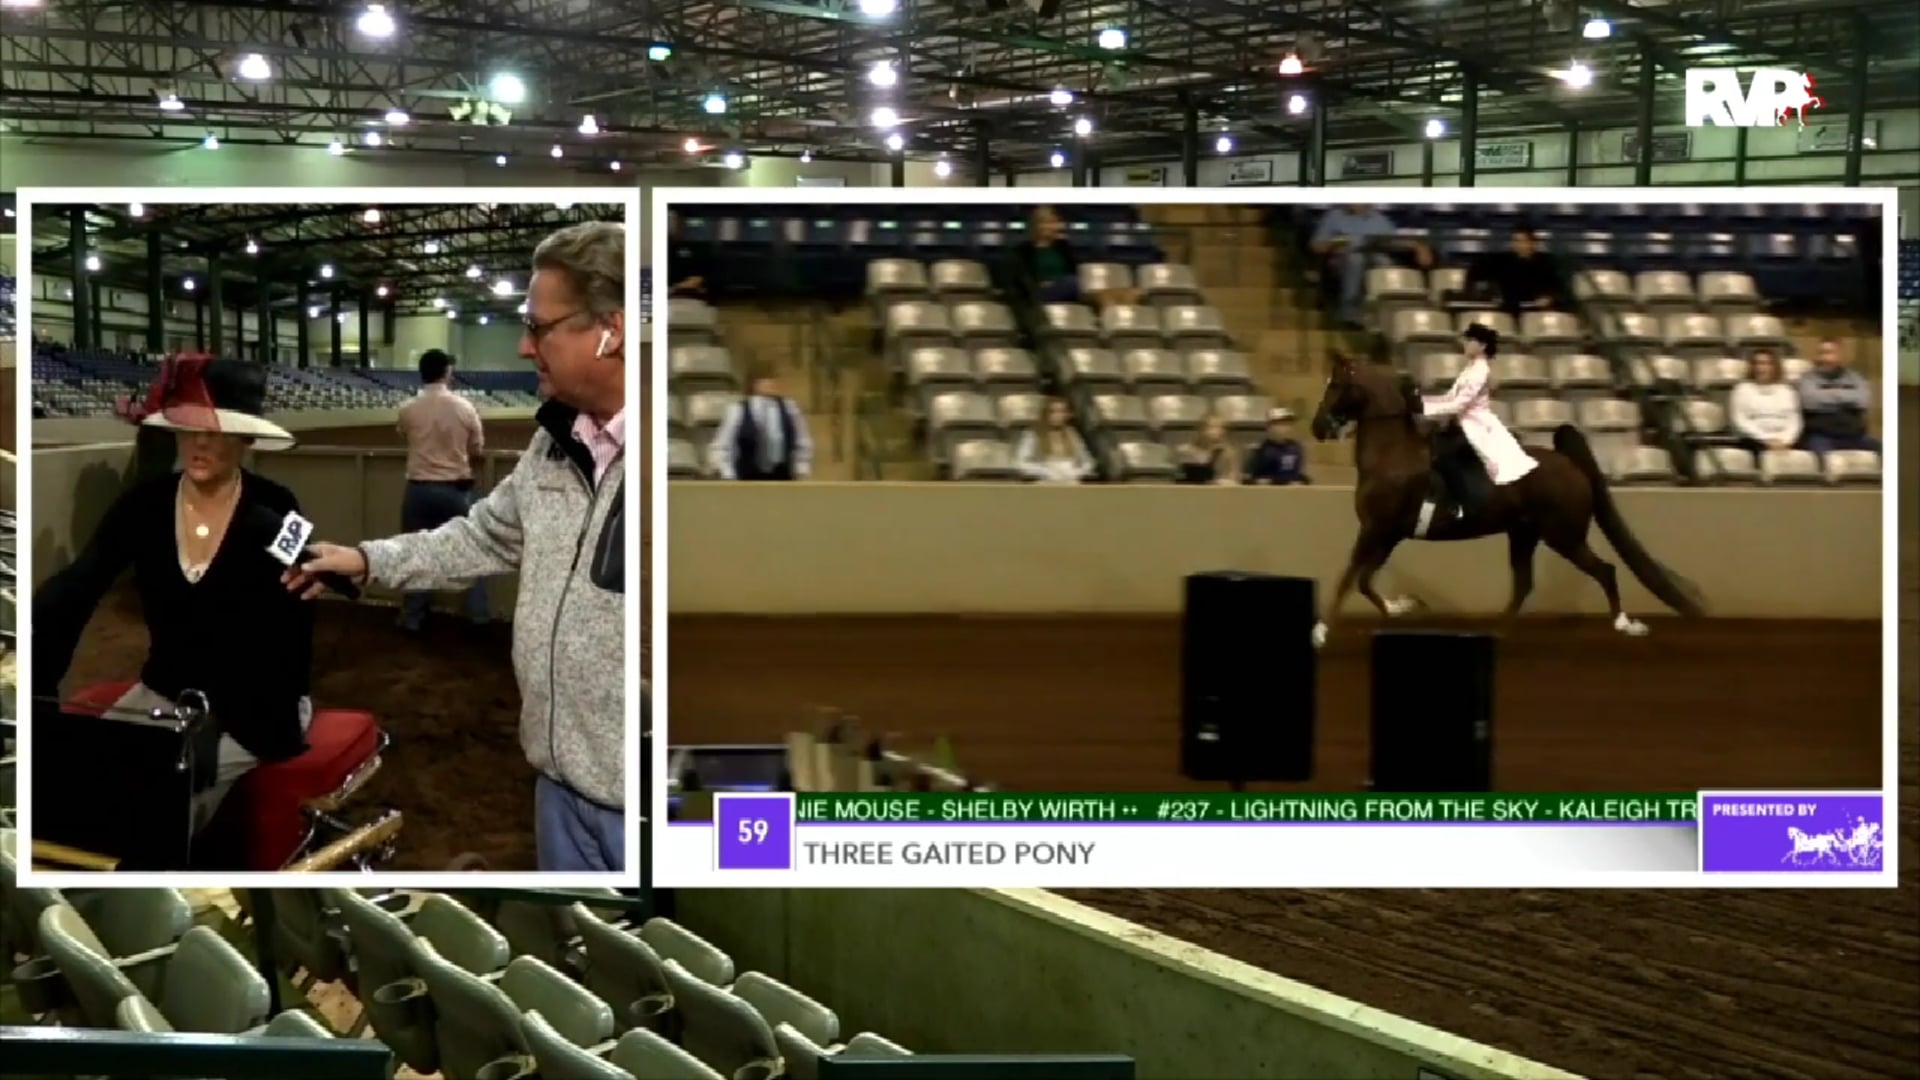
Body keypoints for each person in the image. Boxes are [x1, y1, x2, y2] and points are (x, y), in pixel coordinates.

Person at [286, 221, 631, 873]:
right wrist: (366, 560)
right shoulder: (553, 444)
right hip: (558, 788)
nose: (526, 347)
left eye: (540, 327)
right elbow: (481, 535)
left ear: (609, 329)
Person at [35, 355, 314, 847]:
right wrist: (39, 683)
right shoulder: (142, 505)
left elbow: (292, 626)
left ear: (246, 439)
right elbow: (78, 586)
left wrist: (228, 726)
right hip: (164, 689)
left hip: (255, 706)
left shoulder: (282, 509)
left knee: (153, 808)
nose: (201, 442)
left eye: (219, 430)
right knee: (77, 786)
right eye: (190, 428)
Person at [395, 348, 490, 633]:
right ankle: (477, 616)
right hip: (454, 488)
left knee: (415, 553)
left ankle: (412, 616)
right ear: (447, 372)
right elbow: (476, 448)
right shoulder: (464, 407)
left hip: (418, 489)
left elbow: (403, 434)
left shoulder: (408, 408)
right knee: (473, 551)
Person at [1420, 323, 1536, 520]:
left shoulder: (1480, 371)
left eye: (1470, 340)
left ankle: (1462, 503)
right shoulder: (1470, 369)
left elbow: (1459, 405)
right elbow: (1449, 397)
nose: (1465, 343)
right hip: (1462, 424)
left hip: (1476, 427)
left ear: (1482, 346)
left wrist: (1426, 411)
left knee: (1444, 456)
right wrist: (1422, 401)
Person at [1309, 204, 1433, 329]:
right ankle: (1349, 313)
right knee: (1356, 259)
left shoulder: (1379, 219)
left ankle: (1387, 313)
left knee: (1383, 262)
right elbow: (1316, 246)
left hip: (1373, 258)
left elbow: (1395, 241)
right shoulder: (1334, 216)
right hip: (1342, 260)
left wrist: (1418, 247)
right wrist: (1334, 245)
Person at [1009, 206, 1140, 309]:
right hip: (1042, 293)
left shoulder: (1063, 247)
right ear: (1036, 226)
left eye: (1055, 222)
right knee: (1074, 282)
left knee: (1127, 293)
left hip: (1070, 287)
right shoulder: (1023, 250)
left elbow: (1076, 269)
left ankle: (1117, 325)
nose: (1054, 227)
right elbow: (1023, 281)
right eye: (1048, 223)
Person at [708, 367, 812, 480]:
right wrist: (728, 474)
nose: (771, 383)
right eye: (765, 379)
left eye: (773, 379)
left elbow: (802, 440)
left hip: (783, 476)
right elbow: (721, 445)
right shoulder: (738, 410)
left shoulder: (789, 408)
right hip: (746, 478)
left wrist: (801, 468)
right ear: (753, 384)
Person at [1795, 338, 1880, 457]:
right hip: (1821, 437)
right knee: (1825, 459)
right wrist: (1846, 397)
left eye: (1829, 353)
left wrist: (1828, 396)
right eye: (1821, 353)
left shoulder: (1855, 378)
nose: (1824, 358)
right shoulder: (1808, 378)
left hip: (1855, 436)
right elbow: (1810, 402)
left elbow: (1862, 401)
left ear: (1840, 356)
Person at [1464, 229, 1565, 316]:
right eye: (1516, 241)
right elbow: (1475, 269)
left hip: (1536, 311)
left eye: (1523, 241)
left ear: (1533, 244)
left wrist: (1549, 298)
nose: (1519, 245)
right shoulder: (1502, 261)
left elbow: (1558, 288)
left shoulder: (1546, 263)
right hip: (1508, 310)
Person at [1727, 349, 1802, 457]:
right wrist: (1766, 439)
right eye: (1757, 363)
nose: (1761, 368)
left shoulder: (1787, 391)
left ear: (1774, 367)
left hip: (1784, 442)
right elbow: (1740, 420)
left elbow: (1794, 421)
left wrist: (1786, 440)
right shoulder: (1742, 390)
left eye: (1766, 364)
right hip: (1754, 441)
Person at [1014, 397, 1096, 483]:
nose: (1058, 415)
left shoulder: (1072, 434)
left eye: (1062, 412)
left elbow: (1088, 462)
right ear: (1045, 414)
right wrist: (1045, 471)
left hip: (1070, 481)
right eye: (1053, 412)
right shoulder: (1033, 434)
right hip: (1044, 481)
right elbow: (1021, 463)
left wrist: (1077, 472)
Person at [1244, 407, 1311, 485]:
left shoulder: (1295, 448)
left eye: (1287, 423)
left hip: (1291, 493)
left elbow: (1297, 474)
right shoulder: (1260, 450)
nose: (1284, 427)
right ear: (1269, 426)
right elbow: (1248, 479)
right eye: (1280, 423)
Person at [1176, 415, 1240, 485]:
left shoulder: (1228, 453)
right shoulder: (1186, 451)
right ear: (1201, 429)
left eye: (1220, 427)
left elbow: (1234, 480)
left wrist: (1220, 482)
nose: (1216, 431)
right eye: (1211, 427)